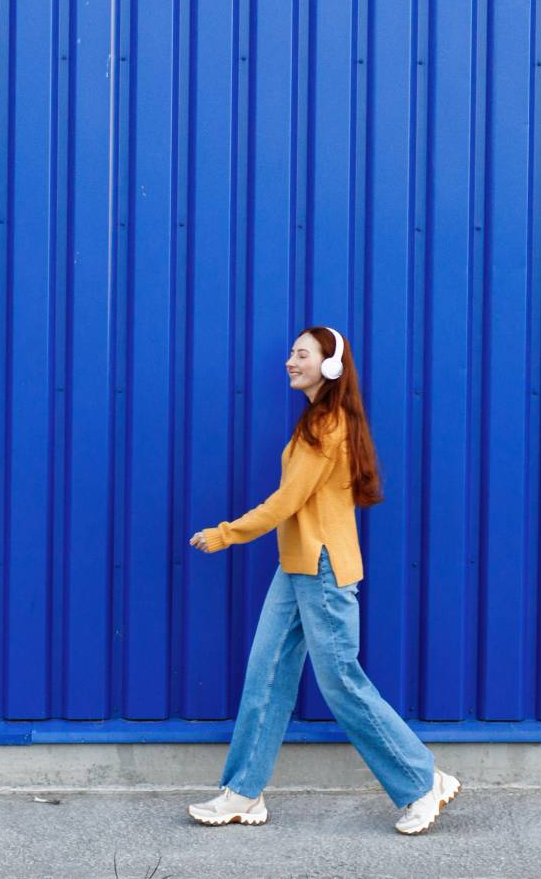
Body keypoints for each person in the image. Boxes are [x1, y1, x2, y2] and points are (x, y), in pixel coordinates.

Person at [185, 325, 462, 834]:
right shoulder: (315, 421)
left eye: (302, 354)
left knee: (341, 684)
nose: (290, 361)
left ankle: (423, 780)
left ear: (330, 366)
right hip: (297, 567)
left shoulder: (326, 425)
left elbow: (287, 501)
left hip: (324, 568)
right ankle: (243, 792)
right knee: (265, 675)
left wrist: (226, 534)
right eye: (290, 352)